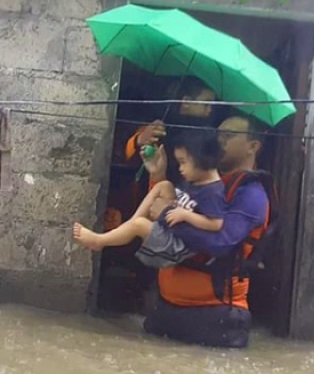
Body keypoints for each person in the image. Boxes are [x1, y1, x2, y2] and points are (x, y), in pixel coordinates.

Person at [142, 115, 272, 348]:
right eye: (217, 134)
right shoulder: (201, 181)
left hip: (215, 316)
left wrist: (167, 215)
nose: (219, 140)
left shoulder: (251, 194)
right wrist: (157, 176)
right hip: (165, 306)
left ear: (253, 146)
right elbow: (159, 218)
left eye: (228, 135)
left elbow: (220, 244)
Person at [74, 132, 226, 268]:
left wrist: (185, 215)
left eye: (183, 162)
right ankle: (129, 225)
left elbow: (216, 224)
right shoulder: (195, 180)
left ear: (201, 160)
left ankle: (99, 241)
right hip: (172, 226)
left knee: (139, 225)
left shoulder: (213, 192)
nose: (180, 169)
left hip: (177, 246)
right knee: (164, 185)